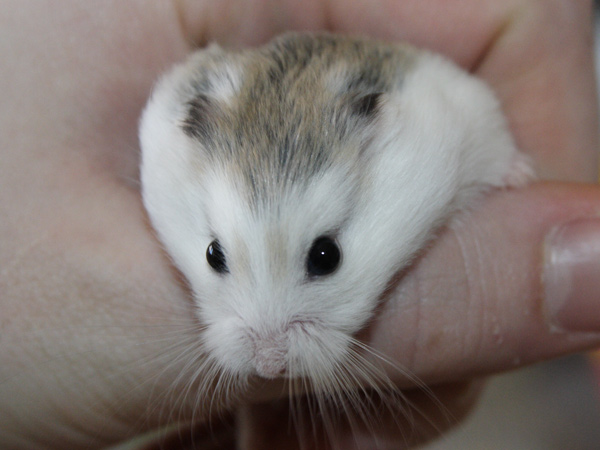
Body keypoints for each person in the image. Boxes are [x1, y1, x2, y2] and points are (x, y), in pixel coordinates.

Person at [1, 1, 599, 448]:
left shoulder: (412, 117)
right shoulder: (182, 119)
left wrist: (499, 164)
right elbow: (165, 112)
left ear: (385, 138)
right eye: (219, 258)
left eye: (322, 259)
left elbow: (461, 111)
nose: (268, 358)